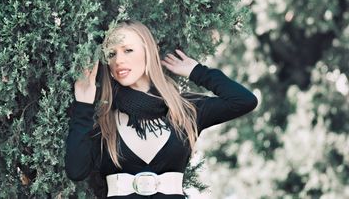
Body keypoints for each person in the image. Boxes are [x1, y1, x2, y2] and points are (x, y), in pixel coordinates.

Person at [65, 20, 258, 198]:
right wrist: (83, 106)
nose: (118, 60)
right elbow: (76, 171)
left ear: (149, 51)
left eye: (128, 50)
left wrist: (197, 71)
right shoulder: (104, 118)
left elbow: (243, 101)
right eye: (112, 54)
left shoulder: (185, 110)